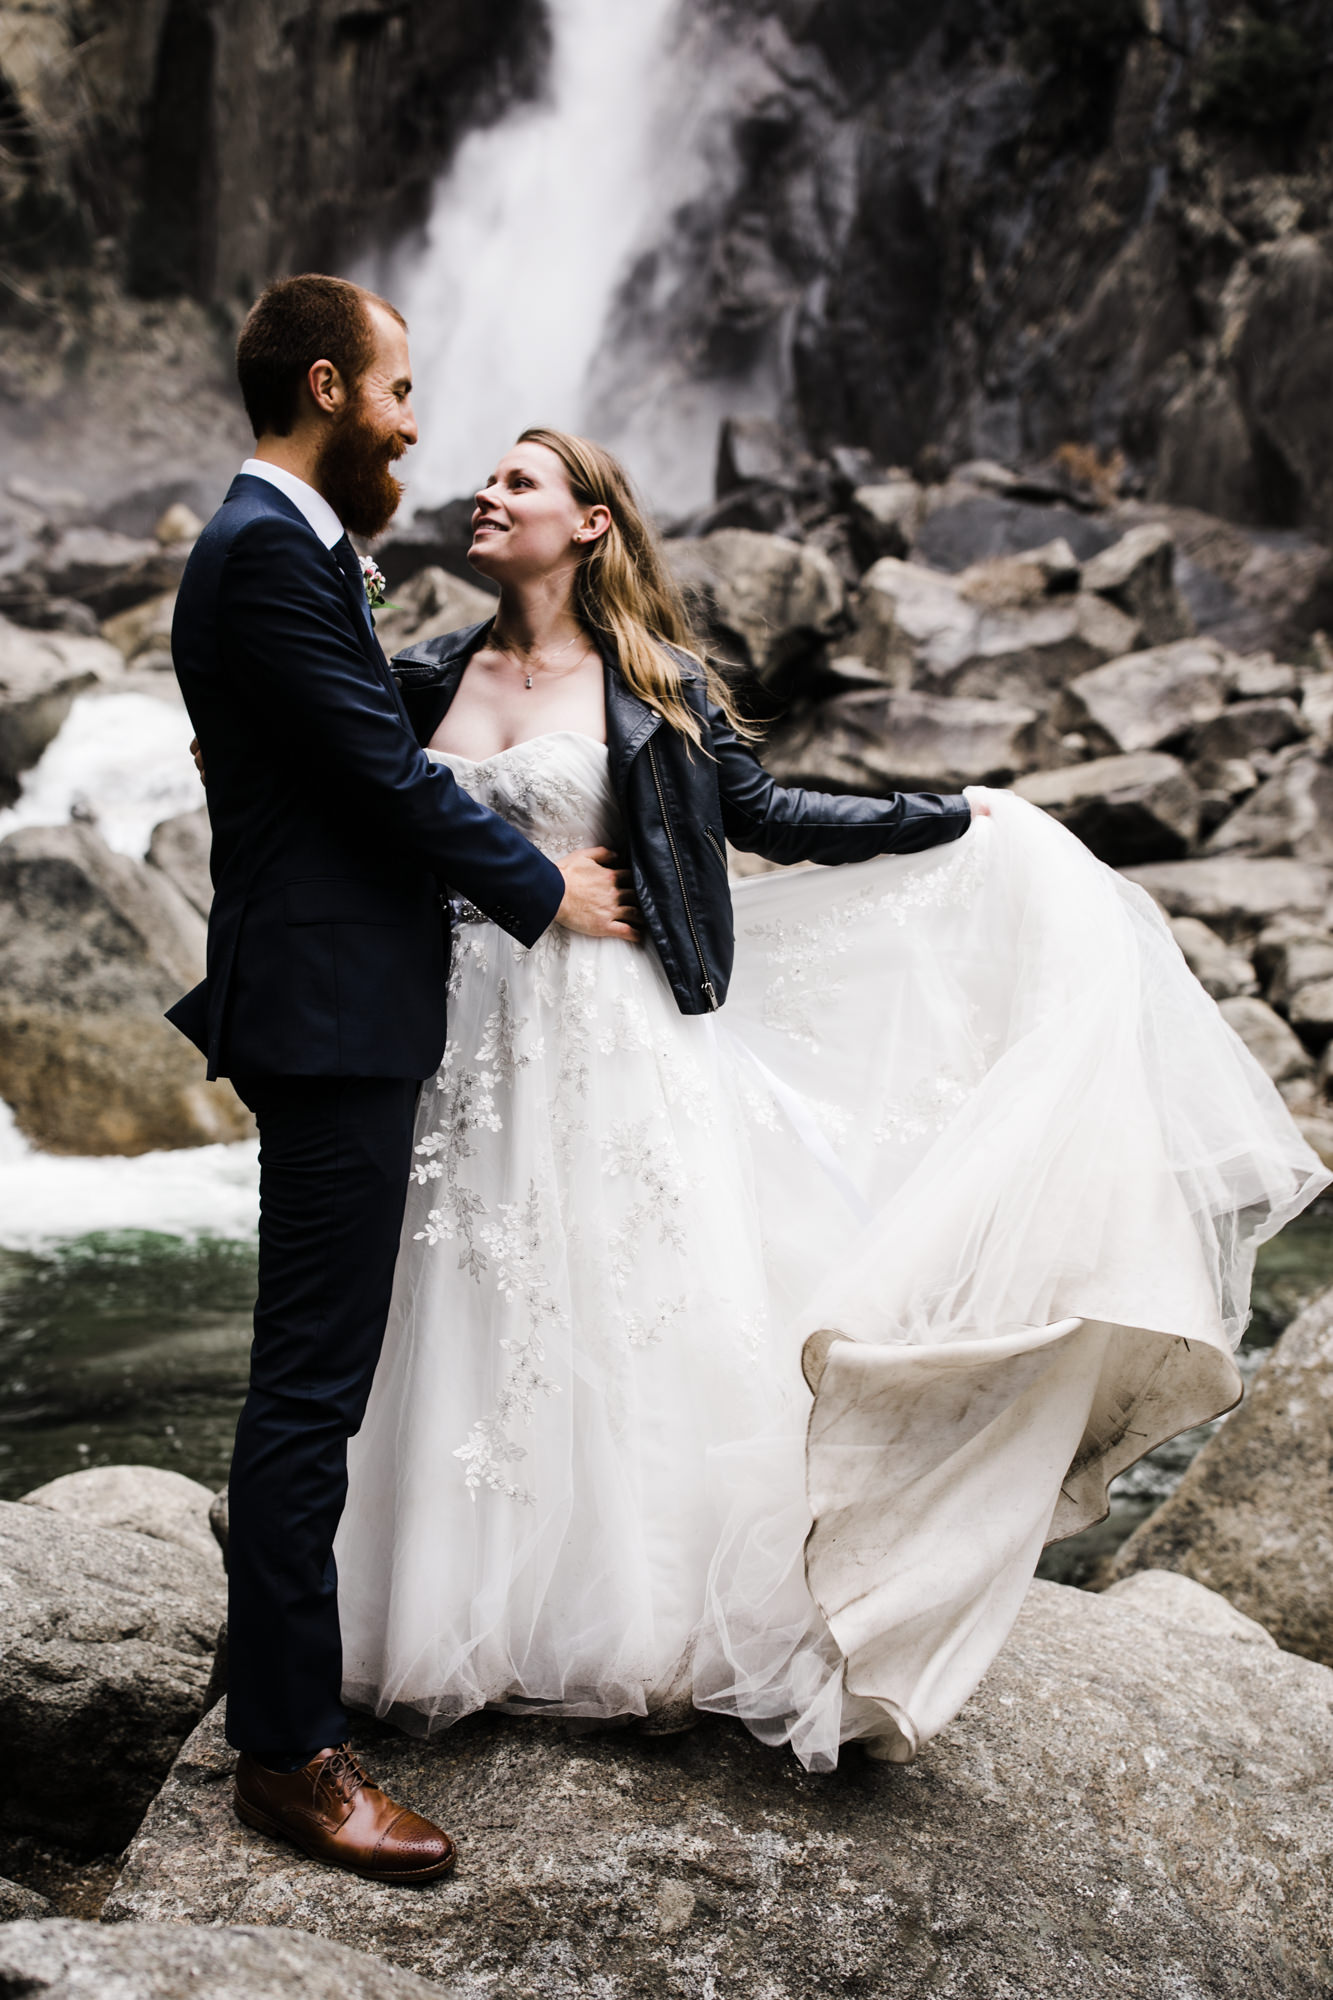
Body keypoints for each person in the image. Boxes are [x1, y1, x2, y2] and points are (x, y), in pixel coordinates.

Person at [334, 428, 1327, 1772]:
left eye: (520, 481)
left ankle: (625, 1618)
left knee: (627, 1301)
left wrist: (949, 818)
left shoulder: (652, 680)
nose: (485, 495)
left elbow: (770, 815)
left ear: (589, 525)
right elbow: (371, 817)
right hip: (462, 1035)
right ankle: (445, 1608)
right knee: (464, 1298)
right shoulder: (425, 673)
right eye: (489, 479)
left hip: (611, 1031)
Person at [166, 285, 636, 1883]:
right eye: (400, 389)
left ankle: (295, 1701)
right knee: (308, 1386)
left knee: (320, 1374)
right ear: (327, 388)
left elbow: (338, 743)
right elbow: (377, 767)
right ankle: (291, 1758)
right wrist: (540, 885)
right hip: (330, 1014)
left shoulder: (283, 549)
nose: (420, 425)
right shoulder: (268, 550)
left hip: (342, 1002)